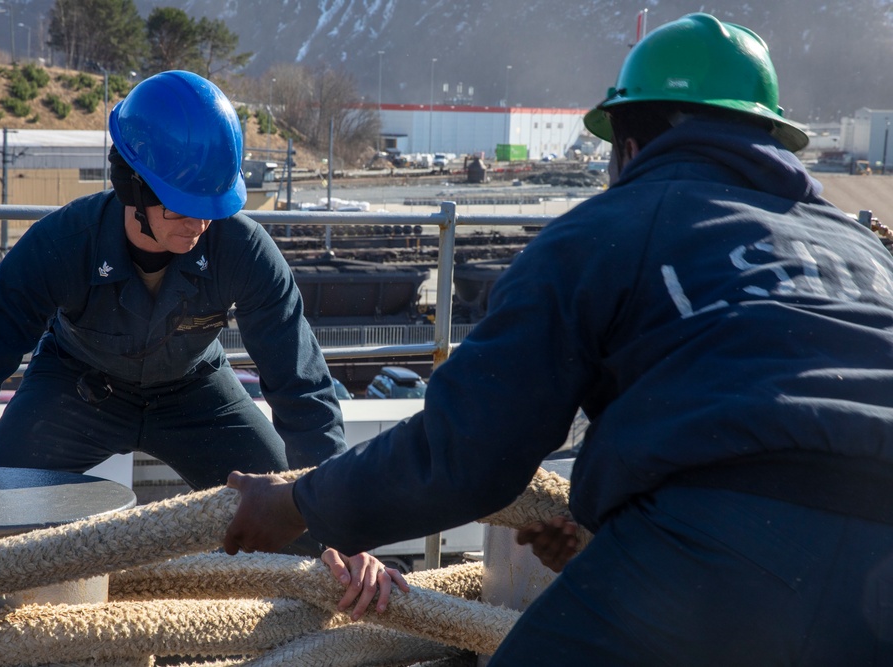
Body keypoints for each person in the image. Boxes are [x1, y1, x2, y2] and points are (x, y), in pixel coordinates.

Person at [222, 14, 893, 665]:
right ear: (770, 140)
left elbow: (468, 450)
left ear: (628, 147)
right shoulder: (867, 252)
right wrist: (607, 528)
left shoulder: (608, 231)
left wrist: (294, 505)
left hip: (717, 550)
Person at [0, 70, 404, 609]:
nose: (202, 225)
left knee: (300, 525)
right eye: (183, 207)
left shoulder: (245, 251)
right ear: (133, 186)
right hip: (75, 389)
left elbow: (302, 389)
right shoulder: (61, 245)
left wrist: (346, 531)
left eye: (213, 208)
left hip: (197, 394)